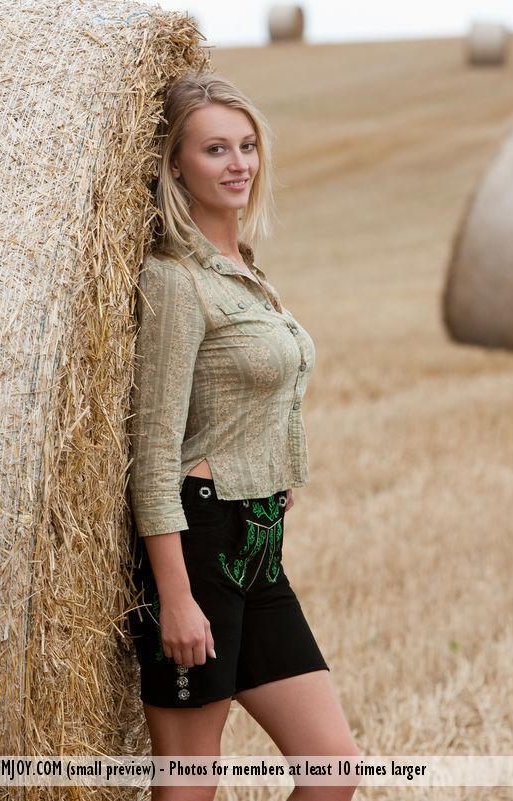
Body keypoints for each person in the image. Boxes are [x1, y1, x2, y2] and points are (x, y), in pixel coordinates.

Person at [126, 70, 363, 801]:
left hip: (259, 547)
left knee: (333, 770)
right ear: (176, 166)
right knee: (191, 786)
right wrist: (176, 597)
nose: (238, 164)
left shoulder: (243, 273)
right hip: (198, 542)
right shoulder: (175, 280)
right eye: (215, 149)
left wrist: (277, 465)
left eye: (248, 146)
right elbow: (155, 451)